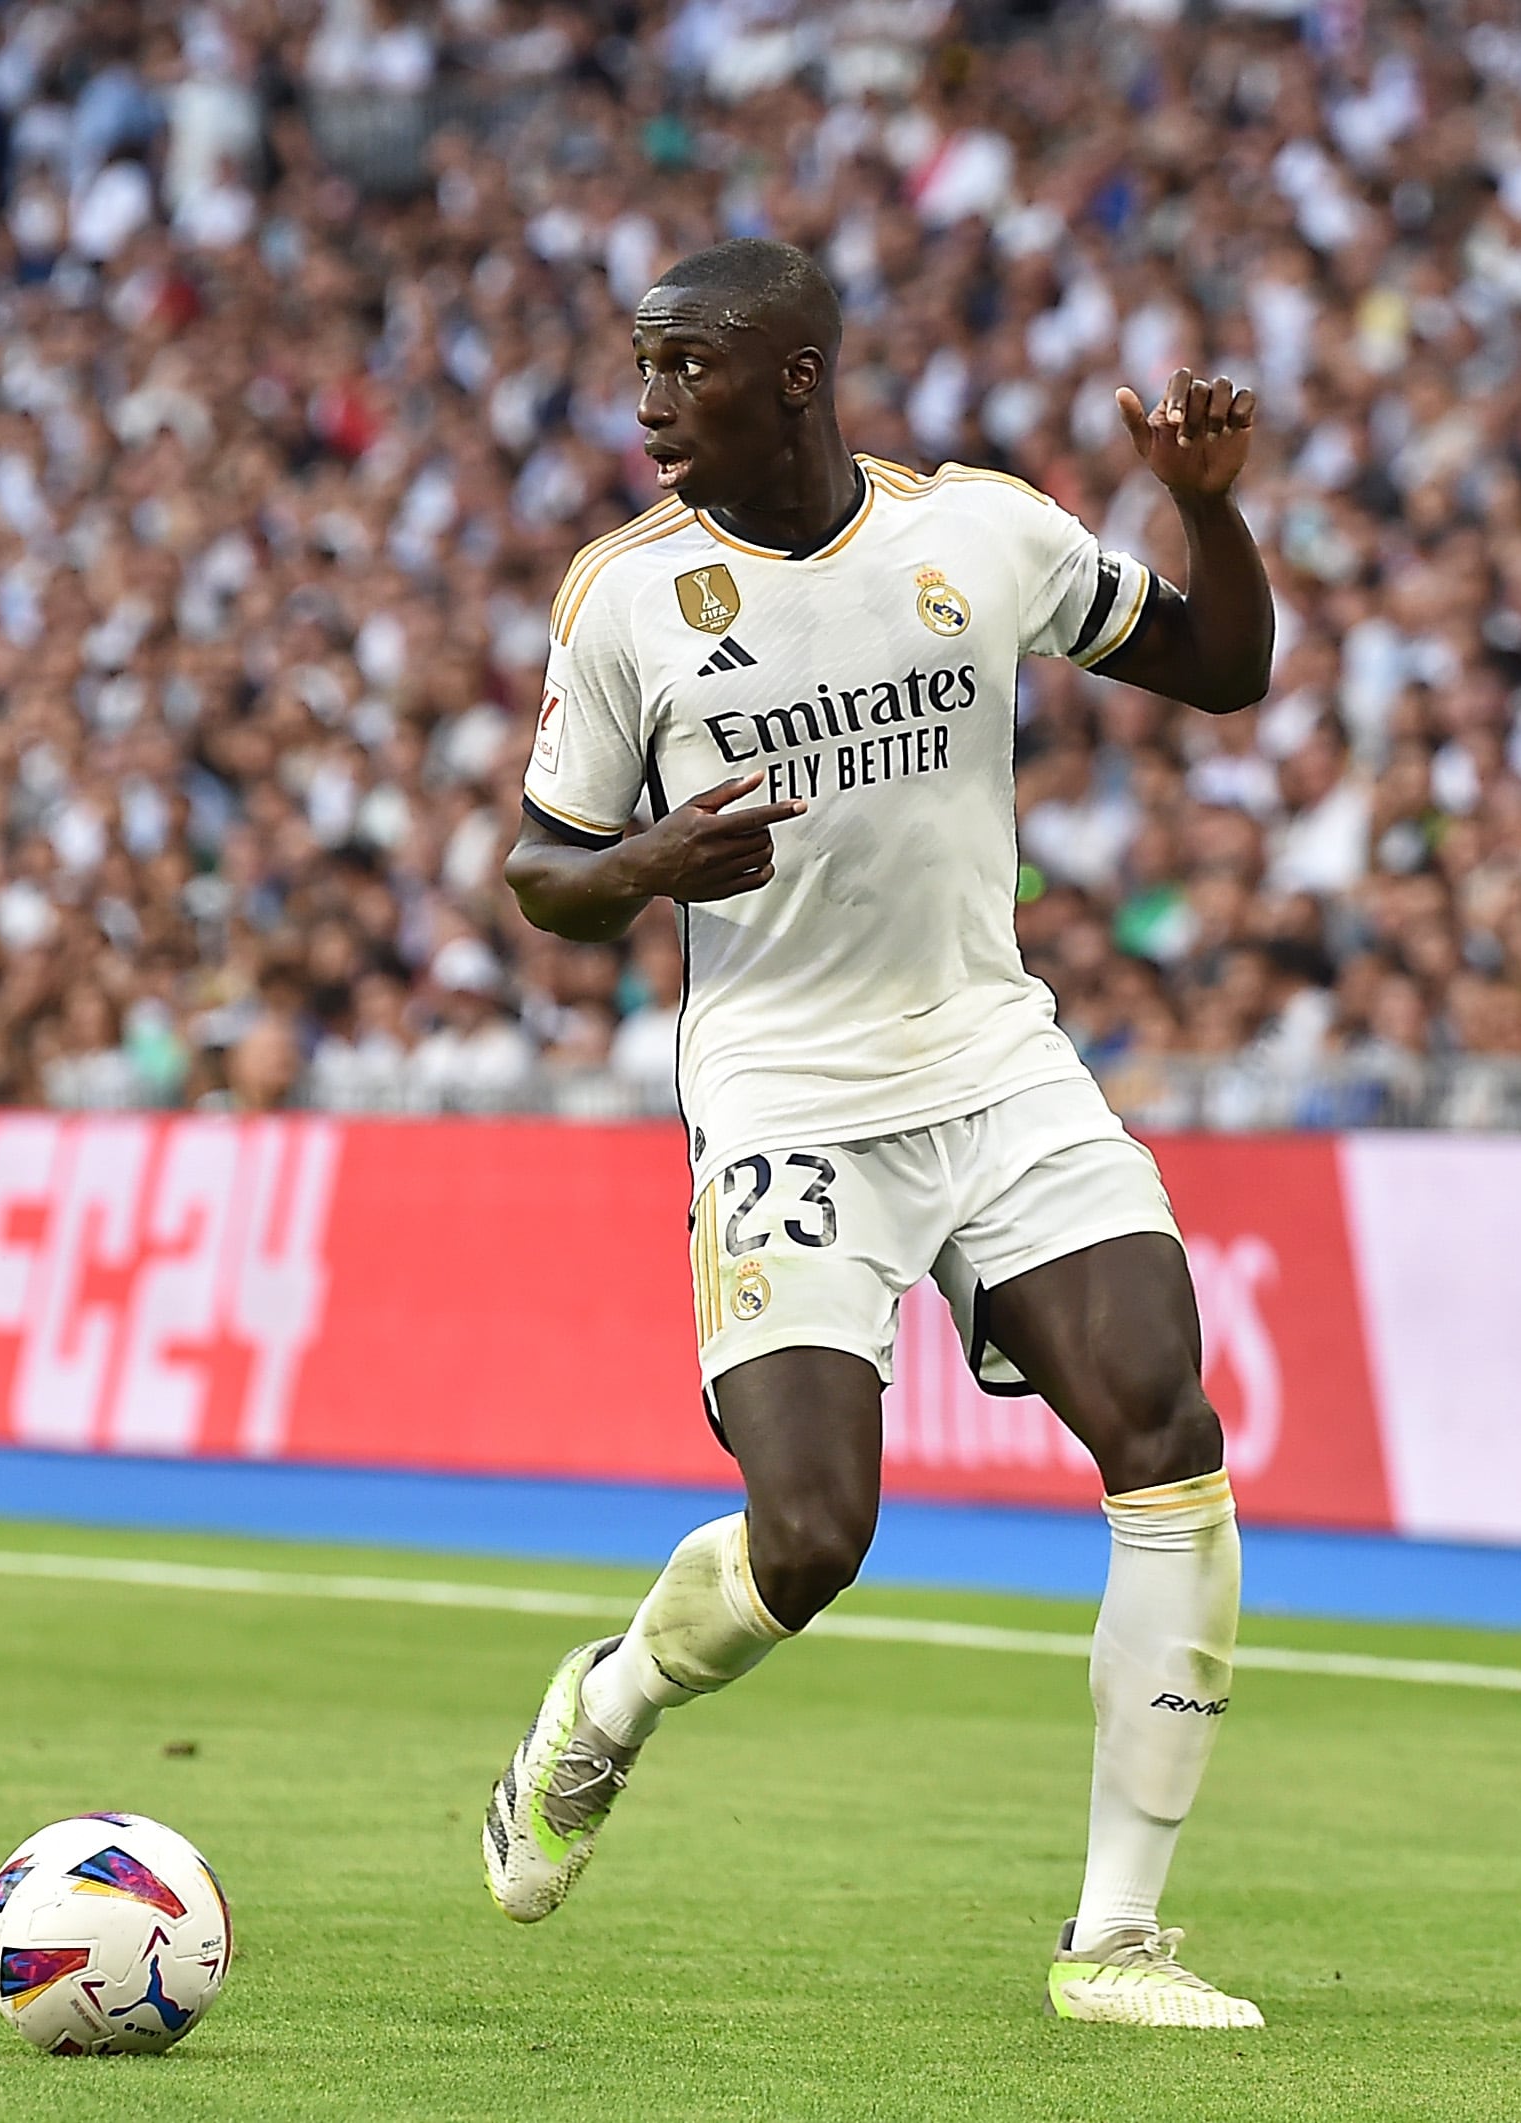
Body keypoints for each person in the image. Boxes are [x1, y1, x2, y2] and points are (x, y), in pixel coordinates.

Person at [486, 238, 1274, 2027]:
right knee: (815, 1538)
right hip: (785, 1090)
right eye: (640, 363)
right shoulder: (623, 598)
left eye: (684, 365)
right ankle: (602, 1710)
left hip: (992, 1056)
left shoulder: (978, 532)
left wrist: (1205, 517)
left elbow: (1222, 672)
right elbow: (541, 870)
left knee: (1168, 1429)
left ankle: (1119, 1940)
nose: (647, 400)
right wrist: (643, 866)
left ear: (796, 377)